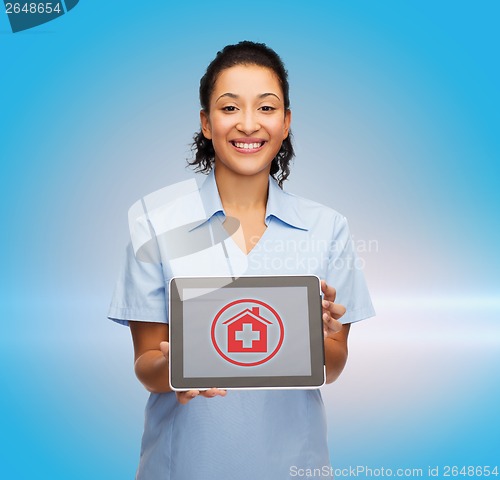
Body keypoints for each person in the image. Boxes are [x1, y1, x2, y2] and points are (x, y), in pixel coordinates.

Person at [108, 41, 375, 480]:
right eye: (230, 108)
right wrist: (179, 367)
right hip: (183, 467)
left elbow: (333, 364)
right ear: (206, 123)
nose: (248, 124)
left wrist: (316, 335)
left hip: (291, 465)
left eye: (266, 108)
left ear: (286, 122)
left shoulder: (328, 227)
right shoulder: (155, 224)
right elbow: (146, 365)